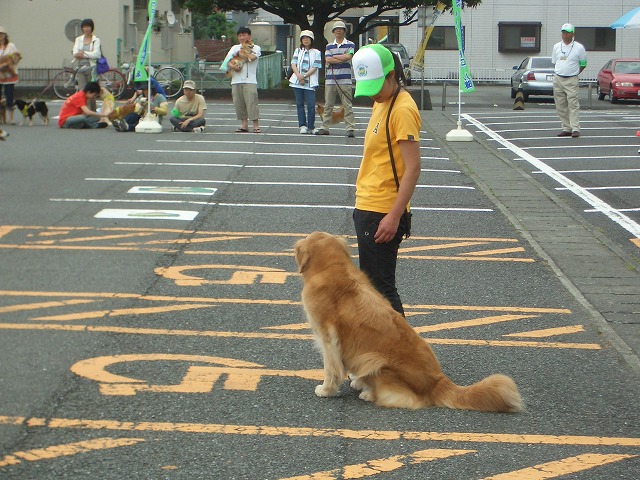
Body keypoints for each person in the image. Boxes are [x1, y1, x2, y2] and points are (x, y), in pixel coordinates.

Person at [350, 44, 421, 316]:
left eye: (377, 86)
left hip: (382, 210)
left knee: (381, 290)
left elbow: (413, 168)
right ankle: (386, 350)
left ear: (393, 74)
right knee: (372, 289)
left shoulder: (402, 109)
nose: (374, 94)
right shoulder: (383, 101)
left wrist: (393, 216)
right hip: (369, 205)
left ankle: (404, 353)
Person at [315, 20, 356, 137]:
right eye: (336, 29)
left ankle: (350, 128)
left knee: (347, 104)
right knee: (328, 104)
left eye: (341, 28)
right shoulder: (329, 45)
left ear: (344, 31)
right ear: (333, 32)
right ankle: (325, 127)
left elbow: (349, 56)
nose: (339, 30)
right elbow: (328, 59)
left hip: (345, 80)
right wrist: (342, 57)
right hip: (330, 80)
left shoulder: (351, 44)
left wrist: (336, 58)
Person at [222, 27, 262, 133]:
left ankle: (255, 125)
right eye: (240, 35)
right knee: (239, 103)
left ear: (249, 36)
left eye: (244, 35)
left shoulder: (255, 47)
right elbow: (227, 60)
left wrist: (240, 54)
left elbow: (252, 57)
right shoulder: (234, 47)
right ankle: (244, 125)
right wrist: (233, 66)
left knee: (252, 102)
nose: (242, 37)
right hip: (236, 80)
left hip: (250, 80)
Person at [551, 23, 587, 138]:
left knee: (573, 104)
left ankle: (575, 128)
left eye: (567, 32)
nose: (564, 35)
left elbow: (583, 63)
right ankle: (567, 127)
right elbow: (555, 61)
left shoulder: (579, 47)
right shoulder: (557, 46)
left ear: (572, 34)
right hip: (558, 78)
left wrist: (575, 73)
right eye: (563, 32)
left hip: (571, 79)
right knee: (560, 105)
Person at [289, 30, 322, 134]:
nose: (306, 39)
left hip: (310, 83)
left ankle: (311, 126)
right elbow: (293, 64)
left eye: (308, 38)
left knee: (311, 106)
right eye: (303, 38)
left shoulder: (316, 52)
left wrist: (303, 76)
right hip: (297, 82)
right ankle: (302, 125)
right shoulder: (297, 51)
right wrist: (299, 76)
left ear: (311, 39)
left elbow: (315, 67)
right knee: (299, 104)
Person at [72, 19, 102, 91]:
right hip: (80, 68)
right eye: (84, 27)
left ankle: (91, 103)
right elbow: (75, 53)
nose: (86, 29)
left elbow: (97, 54)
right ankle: (83, 103)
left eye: (88, 27)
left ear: (92, 28)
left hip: (91, 68)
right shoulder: (78, 39)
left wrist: (83, 53)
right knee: (82, 91)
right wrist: (89, 53)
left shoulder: (96, 40)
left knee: (91, 91)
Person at [0, 26, 19, 124]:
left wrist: (7, 63)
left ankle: (10, 118)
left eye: (2, 34)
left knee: (9, 96)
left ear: (5, 35)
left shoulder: (11, 46)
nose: (0, 36)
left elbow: (16, 57)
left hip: (9, 74)